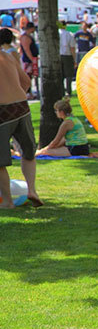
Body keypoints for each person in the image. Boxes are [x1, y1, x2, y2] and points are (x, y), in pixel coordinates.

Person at [0, 40, 43, 209]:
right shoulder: (8, 55)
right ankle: (32, 190)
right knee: (28, 152)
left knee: (1, 161)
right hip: (21, 106)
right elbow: (25, 82)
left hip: (2, 111)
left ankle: (8, 202)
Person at [19, 22, 39, 99]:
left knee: (30, 77)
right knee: (28, 77)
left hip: (31, 60)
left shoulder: (28, 36)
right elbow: (26, 50)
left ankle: (29, 92)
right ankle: (27, 93)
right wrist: (32, 60)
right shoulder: (25, 37)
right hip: (28, 61)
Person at [58, 22, 77, 96]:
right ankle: (69, 91)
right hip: (67, 55)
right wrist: (74, 59)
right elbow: (72, 48)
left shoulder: (56, 34)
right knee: (68, 75)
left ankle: (62, 91)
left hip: (59, 55)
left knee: (61, 75)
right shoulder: (69, 34)